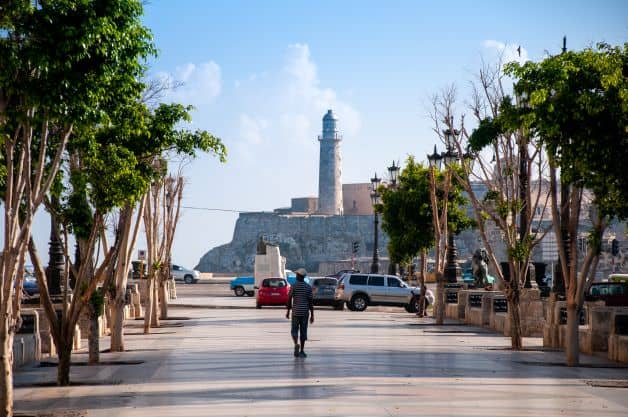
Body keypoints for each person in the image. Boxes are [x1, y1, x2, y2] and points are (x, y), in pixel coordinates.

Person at [285, 268, 314, 358]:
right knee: (303, 331)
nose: (296, 276)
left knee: (294, 330)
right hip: (305, 313)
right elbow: (310, 302)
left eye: (297, 275)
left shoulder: (293, 286)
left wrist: (288, 311)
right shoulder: (308, 287)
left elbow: (289, 298)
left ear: (299, 276)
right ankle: (302, 351)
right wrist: (312, 315)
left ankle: (296, 343)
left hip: (296, 312)